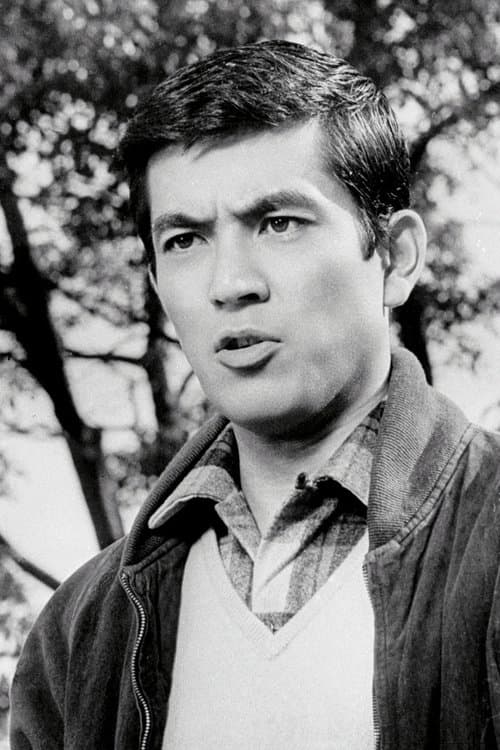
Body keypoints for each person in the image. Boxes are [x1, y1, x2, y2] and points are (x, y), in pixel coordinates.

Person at [9, 40, 500, 750]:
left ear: (395, 258)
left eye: (279, 223)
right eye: (185, 240)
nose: (230, 283)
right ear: (157, 285)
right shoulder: (78, 634)